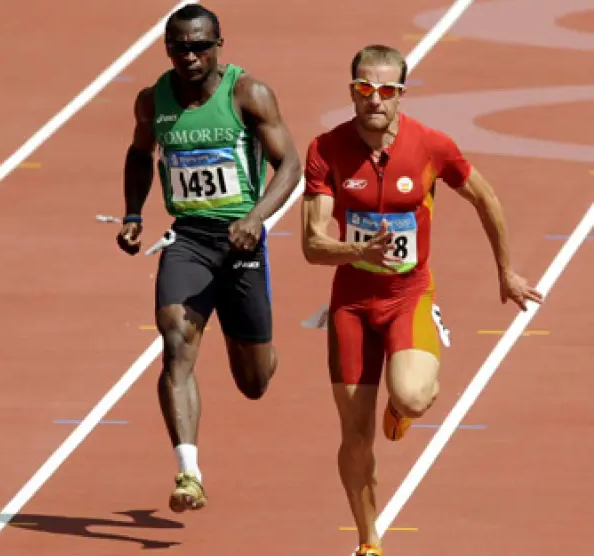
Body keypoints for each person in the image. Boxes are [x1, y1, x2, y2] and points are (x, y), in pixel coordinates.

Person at [300, 44, 543, 555]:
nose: (375, 99)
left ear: (401, 94)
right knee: (355, 437)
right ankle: (369, 542)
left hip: (408, 296)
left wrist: (505, 271)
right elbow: (312, 244)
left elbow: (485, 197)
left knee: (411, 396)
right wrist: (357, 250)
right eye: (365, 88)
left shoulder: (431, 146)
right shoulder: (326, 149)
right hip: (351, 304)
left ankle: (401, 408)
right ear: (352, 92)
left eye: (386, 90)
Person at [115, 3, 303, 513]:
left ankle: (255, 341)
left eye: (200, 46)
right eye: (180, 48)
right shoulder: (152, 100)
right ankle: (189, 473)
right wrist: (132, 214)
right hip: (188, 240)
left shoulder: (248, 94)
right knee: (175, 340)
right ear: (167, 50)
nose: (190, 56)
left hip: (240, 241)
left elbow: (290, 165)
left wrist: (256, 217)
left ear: (219, 45)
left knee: (254, 382)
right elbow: (140, 153)